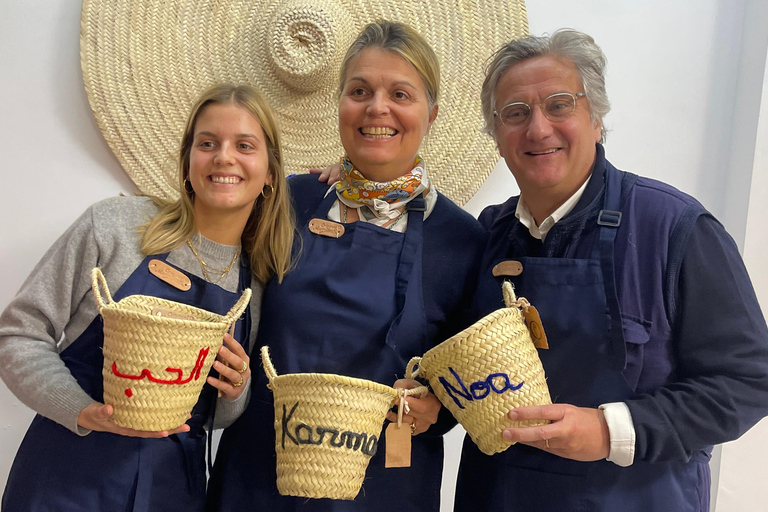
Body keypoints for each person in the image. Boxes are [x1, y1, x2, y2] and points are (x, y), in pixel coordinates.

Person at [453, 29, 768, 511]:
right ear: (496, 136)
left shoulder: (674, 228)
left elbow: (748, 382)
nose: (538, 129)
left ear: (596, 117)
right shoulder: (487, 233)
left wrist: (609, 430)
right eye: (515, 113)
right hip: (500, 495)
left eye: (559, 105)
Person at [208, 20, 485, 512]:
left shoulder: (463, 239)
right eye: (360, 91)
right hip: (259, 477)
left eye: (400, 93)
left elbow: (466, 380)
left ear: (432, 112)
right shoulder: (287, 201)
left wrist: (436, 410)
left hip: (383, 486)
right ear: (340, 105)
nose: (377, 108)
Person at [0, 83, 294, 511]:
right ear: (187, 162)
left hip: (171, 492)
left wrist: (237, 391)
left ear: (269, 173)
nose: (224, 157)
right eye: (207, 143)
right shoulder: (116, 226)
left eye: (244, 145)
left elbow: (215, 418)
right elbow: (18, 335)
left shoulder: (257, 285)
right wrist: (81, 409)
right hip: (64, 481)